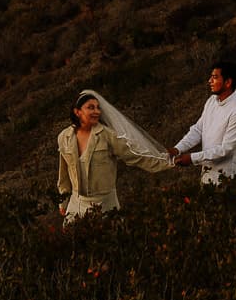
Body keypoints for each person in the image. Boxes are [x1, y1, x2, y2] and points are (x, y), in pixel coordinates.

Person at [57, 89, 173, 221]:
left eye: (97, 108)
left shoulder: (108, 136)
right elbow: (64, 175)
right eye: (91, 107)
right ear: (77, 112)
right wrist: (63, 201)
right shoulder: (64, 137)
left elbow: (135, 157)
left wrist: (169, 162)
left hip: (105, 205)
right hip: (75, 206)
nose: (96, 111)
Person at [169, 61, 236, 185]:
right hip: (207, 178)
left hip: (228, 181)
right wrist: (178, 149)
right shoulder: (212, 101)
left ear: (228, 82)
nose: (209, 81)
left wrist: (192, 158)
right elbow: (198, 130)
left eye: (215, 77)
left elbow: (225, 150)